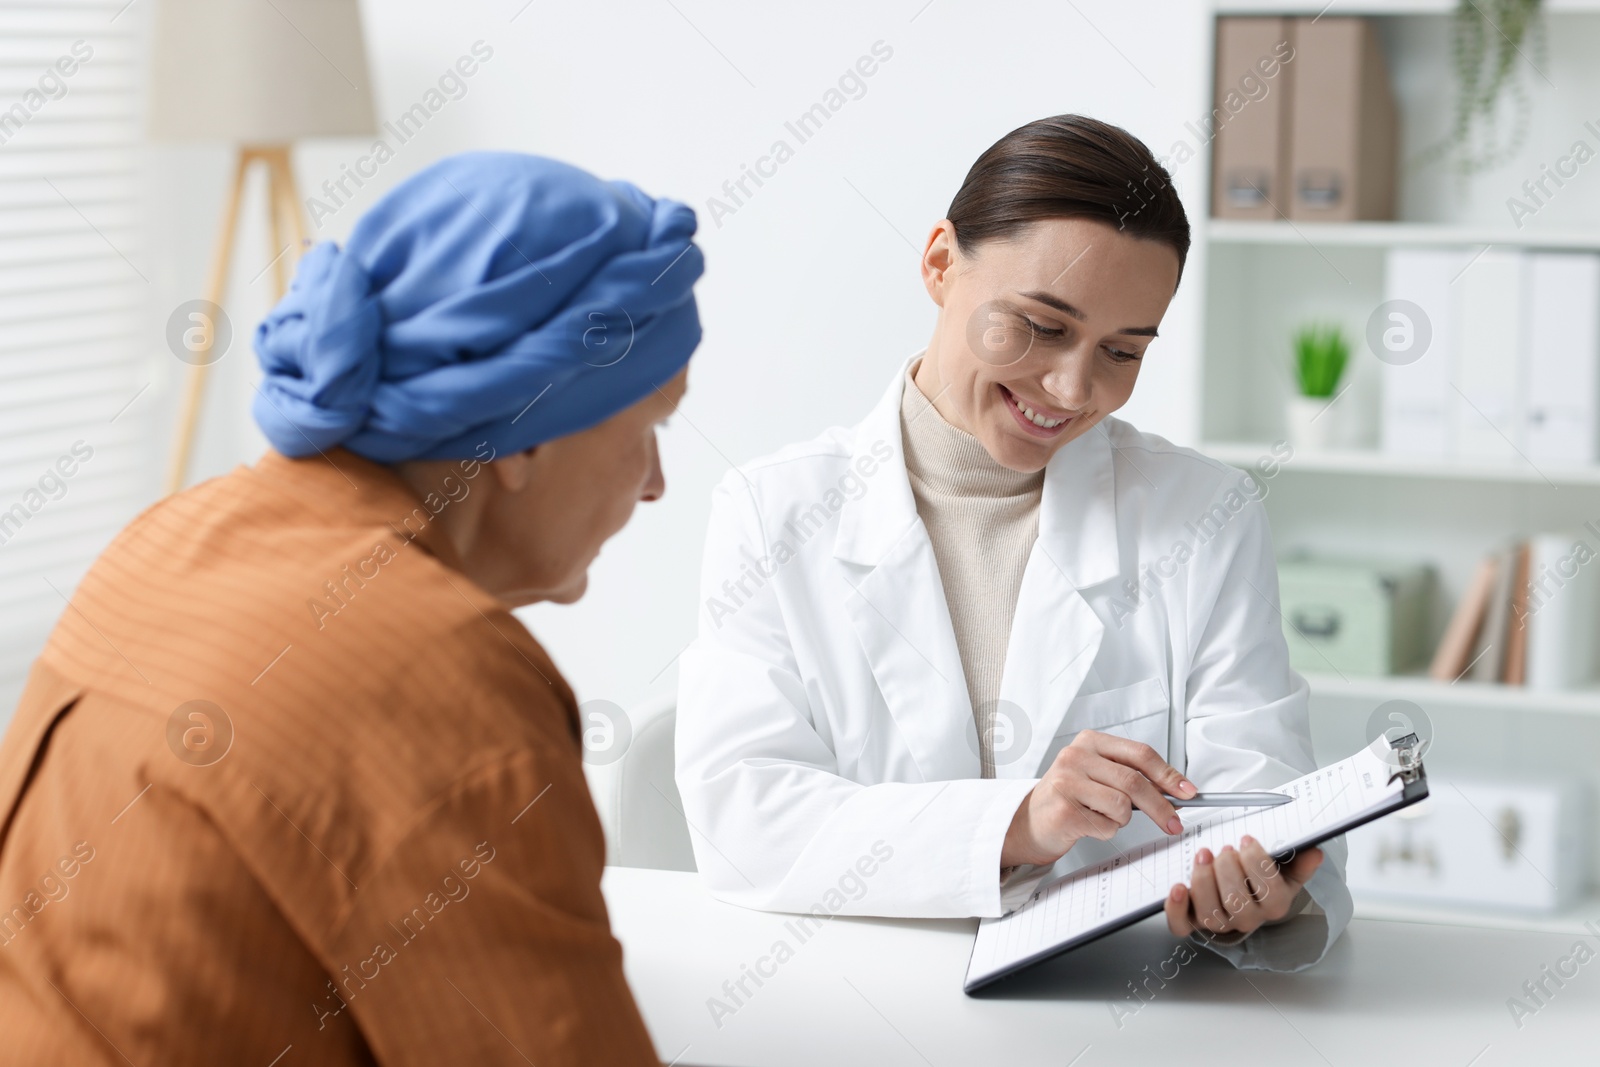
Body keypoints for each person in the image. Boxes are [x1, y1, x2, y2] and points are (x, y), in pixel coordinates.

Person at [0, 152, 702, 1063]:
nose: (655, 484)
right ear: (529, 429)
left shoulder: (162, 540)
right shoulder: (442, 673)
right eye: (651, 422)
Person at [676, 115, 1350, 970]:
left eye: (1121, 349)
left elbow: (1269, 793)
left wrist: (1260, 892)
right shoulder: (774, 510)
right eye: (1040, 324)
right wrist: (1021, 821)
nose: (1074, 388)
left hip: (1119, 1013)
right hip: (850, 1002)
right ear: (937, 263)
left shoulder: (1204, 514)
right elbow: (745, 819)